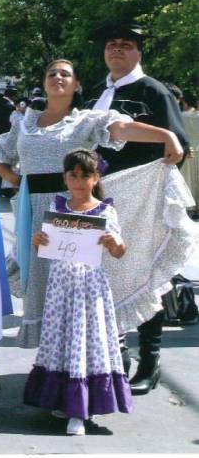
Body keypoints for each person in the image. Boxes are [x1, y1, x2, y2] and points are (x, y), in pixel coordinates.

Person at [0, 59, 186, 350]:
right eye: (52, 73)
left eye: (65, 74)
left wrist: (166, 135)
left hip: (73, 213)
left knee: (76, 287)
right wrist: (16, 179)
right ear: (44, 82)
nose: (58, 77)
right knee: (45, 287)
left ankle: (87, 363)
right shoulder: (24, 121)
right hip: (33, 213)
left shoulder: (86, 120)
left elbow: (122, 127)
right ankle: (53, 365)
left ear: (76, 84)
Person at [84, 22, 192, 395]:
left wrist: (148, 191)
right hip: (95, 197)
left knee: (144, 277)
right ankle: (114, 356)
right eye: (111, 44)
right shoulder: (95, 92)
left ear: (138, 52)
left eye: (125, 45)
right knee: (100, 276)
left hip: (138, 198)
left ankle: (150, 360)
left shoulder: (153, 91)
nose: (117, 50)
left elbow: (178, 146)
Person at [24, 149, 133, 436]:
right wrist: (39, 240)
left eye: (85, 175)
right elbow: (43, 247)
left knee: (86, 342)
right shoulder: (58, 206)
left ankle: (79, 411)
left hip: (90, 289)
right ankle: (62, 399)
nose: (79, 181)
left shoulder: (105, 211)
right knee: (61, 341)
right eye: (73, 175)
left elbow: (120, 251)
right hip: (60, 287)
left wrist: (113, 242)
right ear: (65, 177)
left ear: (96, 178)